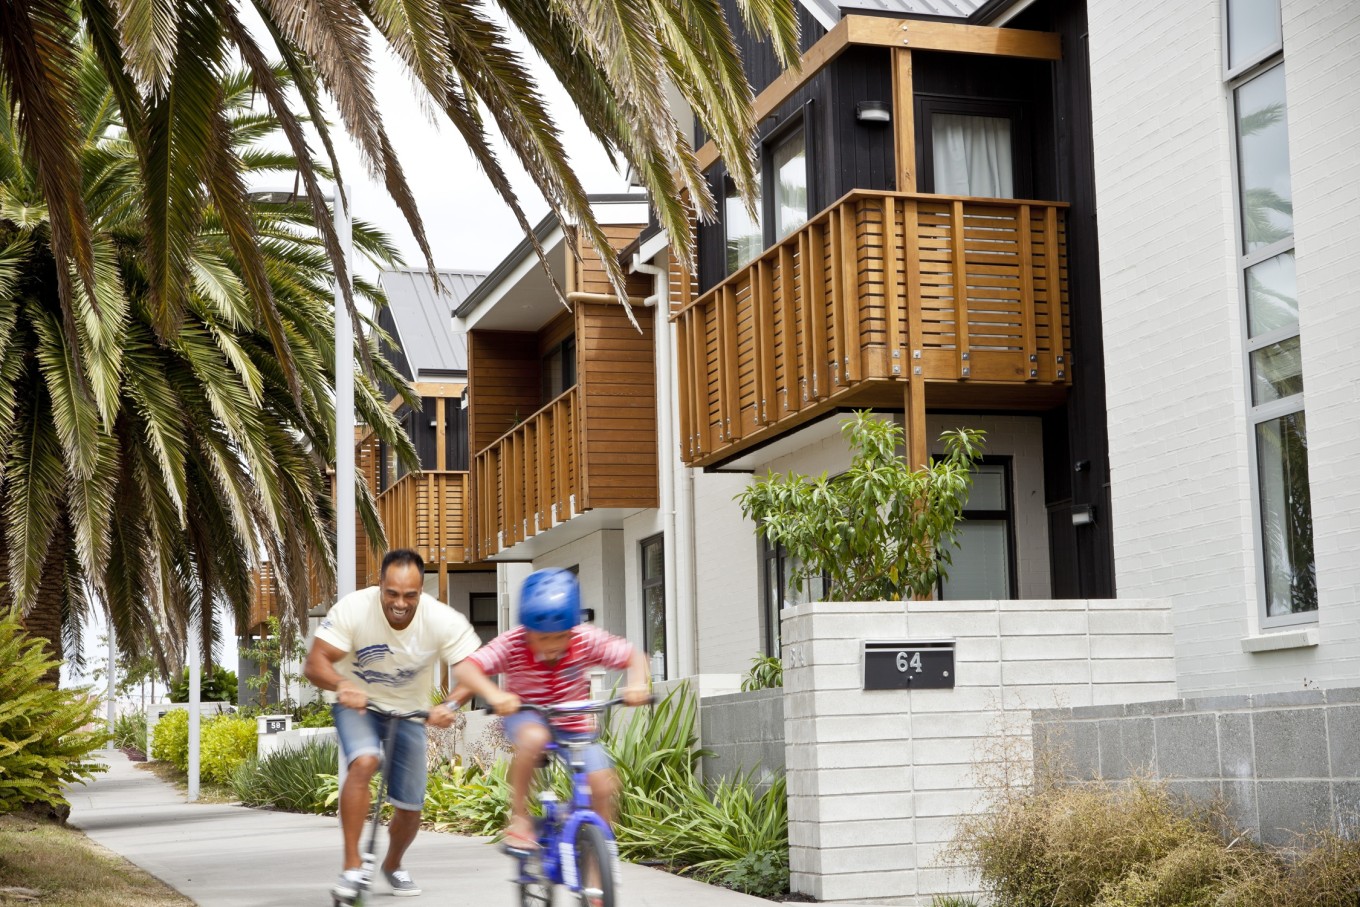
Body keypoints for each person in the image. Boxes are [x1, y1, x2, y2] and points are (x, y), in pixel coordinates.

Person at [303, 548, 480, 900]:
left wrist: (450, 703)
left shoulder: (442, 619)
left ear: (421, 591)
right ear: (380, 585)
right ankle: (352, 867)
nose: (400, 603)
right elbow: (315, 663)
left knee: (410, 808)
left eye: (410, 595)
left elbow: (477, 669)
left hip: (410, 713)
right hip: (359, 705)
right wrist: (342, 685)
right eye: (392, 593)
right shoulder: (354, 609)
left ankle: (393, 864)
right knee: (365, 761)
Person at [454, 568, 651, 850]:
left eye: (560, 637)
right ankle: (520, 818)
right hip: (527, 715)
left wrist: (637, 685)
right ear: (527, 630)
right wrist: (494, 694)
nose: (551, 646)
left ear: (572, 627)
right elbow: (467, 668)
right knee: (534, 739)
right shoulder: (513, 643)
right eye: (541, 637)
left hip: (573, 721)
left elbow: (634, 656)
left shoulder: (585, 639)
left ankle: (600, 863)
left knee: (603, 786)